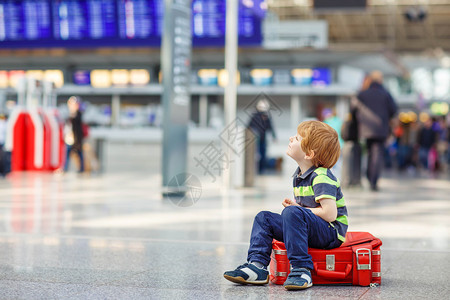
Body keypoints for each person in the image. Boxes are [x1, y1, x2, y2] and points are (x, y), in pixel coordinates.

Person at [224, 120, 348, 290]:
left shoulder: (321, 176)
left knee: (292, 212)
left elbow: (329, 214)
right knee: (264, 218)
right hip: (313, 227)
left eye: (297, 138)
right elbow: (308, 211)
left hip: (330, 233)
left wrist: (297, 210)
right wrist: (297, 207)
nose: (291, 138)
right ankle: (257, 266)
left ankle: (301, 269)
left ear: (309, 154)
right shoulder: (300, 175)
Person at [353, 71, 397, 191]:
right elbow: (394, 109)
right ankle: (373, 180)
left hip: (365, 129)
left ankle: (368, 176)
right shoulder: (386, 94)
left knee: (368, 153)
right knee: (377, 154)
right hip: (381, 129)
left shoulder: (363, 93)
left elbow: (353, 108)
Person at [247, 99, 276, 174]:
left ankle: (261, 170)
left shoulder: (266, 116)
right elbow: (249, 127)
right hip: (255, 140)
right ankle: (254, 170)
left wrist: (274, 136)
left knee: (263, 155)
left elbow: (270, 127)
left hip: (263, 139)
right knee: (255, 155)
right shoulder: (254, 116)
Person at [63, 96, 84, 173]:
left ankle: (82, 168)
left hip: (77, 138)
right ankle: (65, 168)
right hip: (69, 137)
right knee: (67, 153)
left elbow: (76, 124)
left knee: (79, 153)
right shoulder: (68, 114)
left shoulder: (78, 114)